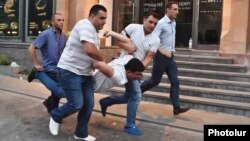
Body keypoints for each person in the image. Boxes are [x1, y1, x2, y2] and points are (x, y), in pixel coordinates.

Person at [49, 4, 107, 141]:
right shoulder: (85, 26)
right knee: (76, 104)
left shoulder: (93, 31)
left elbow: (89, 55)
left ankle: (80, 133)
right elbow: (89, 50)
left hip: (85, 73)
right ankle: (55, 115)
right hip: (69, 71)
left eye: (106, 18)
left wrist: (94, 65)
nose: (104, 21)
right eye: (101, 18)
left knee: (88, 105)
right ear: (92, 16)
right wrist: (104, 61)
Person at [99, 12, 160, 135]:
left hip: (136, 71)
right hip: (125, 67)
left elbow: (149, 57)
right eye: (150, 22)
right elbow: (119, 42)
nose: (152, 25)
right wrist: (131, 48)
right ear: (144, 19)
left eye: (155, 23)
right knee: (136, 96)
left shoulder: (155, 39)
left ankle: (106, 101)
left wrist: (139, 71)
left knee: (129, 97)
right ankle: (129, 125)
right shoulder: (132, 27)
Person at [140, 1, 190, 116]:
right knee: (154, 81)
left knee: (175, 81)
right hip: (161, 57)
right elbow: (153, 39)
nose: (178, 11)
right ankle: (136, 91)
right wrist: (163, 51)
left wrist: (170, 52)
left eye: (178, 9)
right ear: (168, 10)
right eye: (175, 9)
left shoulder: (173, 23)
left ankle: (176, 108)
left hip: (170, 57)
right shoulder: (161, 23)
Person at [27, 13, 67, 113]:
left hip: (61, 69)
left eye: (62, 20)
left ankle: (50, 105)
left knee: (58, 93)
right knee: (58, 92)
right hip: (50, 69)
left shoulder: (64, 36)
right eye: (58, 20)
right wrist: (36, 63)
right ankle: (54, 113)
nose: (61, 22)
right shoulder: (46, 34)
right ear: (52, 22)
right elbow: (31, 48)